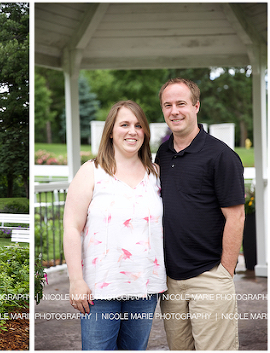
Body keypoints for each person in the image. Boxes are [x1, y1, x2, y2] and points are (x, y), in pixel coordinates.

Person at [63, 100, 167, 350]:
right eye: (125, 124)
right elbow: (71, 227)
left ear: (145, 133)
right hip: (99, 289)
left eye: (138, 125)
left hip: (145, 288)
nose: (132, 131)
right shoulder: (92, 171)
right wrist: (76, 280)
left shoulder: (155, 174)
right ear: (111, 131)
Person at [155, 78, 245, 350]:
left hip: (209, 276)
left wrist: (225, 271)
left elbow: (236, 217)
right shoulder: (163, 153)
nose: (174, 111)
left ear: (196, 106)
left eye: (181, 104)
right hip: (170, 281)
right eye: (167, 105)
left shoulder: (220, 156)